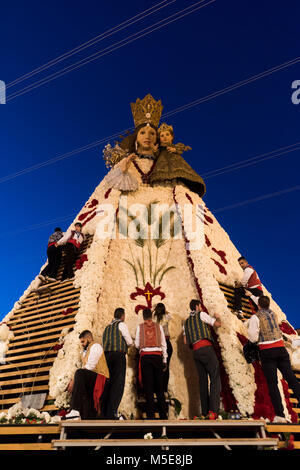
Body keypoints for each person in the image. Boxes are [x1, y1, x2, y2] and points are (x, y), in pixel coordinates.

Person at [247, 295, 300, 423]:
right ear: (268, 304)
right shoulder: (273, 314)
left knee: (272, 383)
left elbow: (253, 338)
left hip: (267, 352)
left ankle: (280, 415)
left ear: (258, 305)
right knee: (292, 380)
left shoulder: (255, 317)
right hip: (281, 349)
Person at [183, 299, 221, 419]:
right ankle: (213, 411)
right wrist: (218, 317)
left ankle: (204, 413)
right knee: (215, 377)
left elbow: (185, 341)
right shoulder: (202, 314)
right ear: (198, 306)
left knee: (203, 382)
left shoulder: (186, 322)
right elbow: (217, 324)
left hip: (195, 351)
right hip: (206, 348)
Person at [65, 330, 109, 420]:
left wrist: (74, 381)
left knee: (79, 373)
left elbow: (90, 366)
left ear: (89, 338)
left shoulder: (96, 346)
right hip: (93, 378)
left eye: (83, 341)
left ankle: (75, 410)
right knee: (81, 385)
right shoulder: (85, 352)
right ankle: (83, 416)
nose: (82, 344)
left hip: (101, 378)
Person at [135, 308, 168, 420]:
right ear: (151, 316)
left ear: (143, 317)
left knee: (148, 387)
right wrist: (165, 359)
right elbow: (164, 344)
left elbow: (136, 344)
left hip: (146, 357)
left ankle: (150, 416)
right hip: (157, 356)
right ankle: (163, 415)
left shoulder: (140, 327)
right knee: (159, 387)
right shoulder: (158, 326)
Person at [101, 308, 133, 419]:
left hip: (106, 356)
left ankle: (104, 412)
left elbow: (103, 342)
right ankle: (112, 412)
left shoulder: (107, 328)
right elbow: (129, 342)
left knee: (107, 384)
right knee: (117, 384)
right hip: (118, 355)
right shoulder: (121, 325)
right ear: (122, 316)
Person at [153, 303, 173, 396]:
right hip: (167, 342)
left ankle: (156, 389)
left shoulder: (153, 318)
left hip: (157, 344)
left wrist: (153, 309)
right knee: (166, 367)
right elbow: (171, 315)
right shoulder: (166, 317)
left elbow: (150, 313)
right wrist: (165, 310)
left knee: (156, 368)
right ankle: (164, 389)